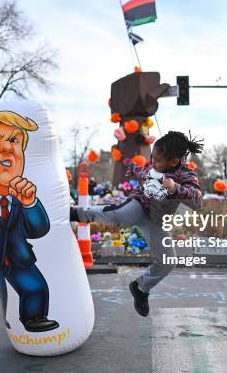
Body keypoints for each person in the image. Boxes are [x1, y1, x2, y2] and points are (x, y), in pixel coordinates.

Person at [71, 131, 203, 317]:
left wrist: (175, 188)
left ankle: (141, 287)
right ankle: (78, 213)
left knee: (168, 261)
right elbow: (142, 171)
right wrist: (132, 169)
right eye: (152, 157)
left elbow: (197, 200)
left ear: (174, 162)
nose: (153, 162)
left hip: (156, 220)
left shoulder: (186, 174)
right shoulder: (153, 165)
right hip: (140, 204)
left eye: (157, 160)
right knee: (119, 215)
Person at [0, 110, 58, 333]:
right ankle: (9, 319)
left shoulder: (20, 199)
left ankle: (33, 317)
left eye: (14, 140)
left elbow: (39, 229)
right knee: (3, 294)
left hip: (17, 257)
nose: (6, 148)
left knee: (36, 288)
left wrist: (30, 203)